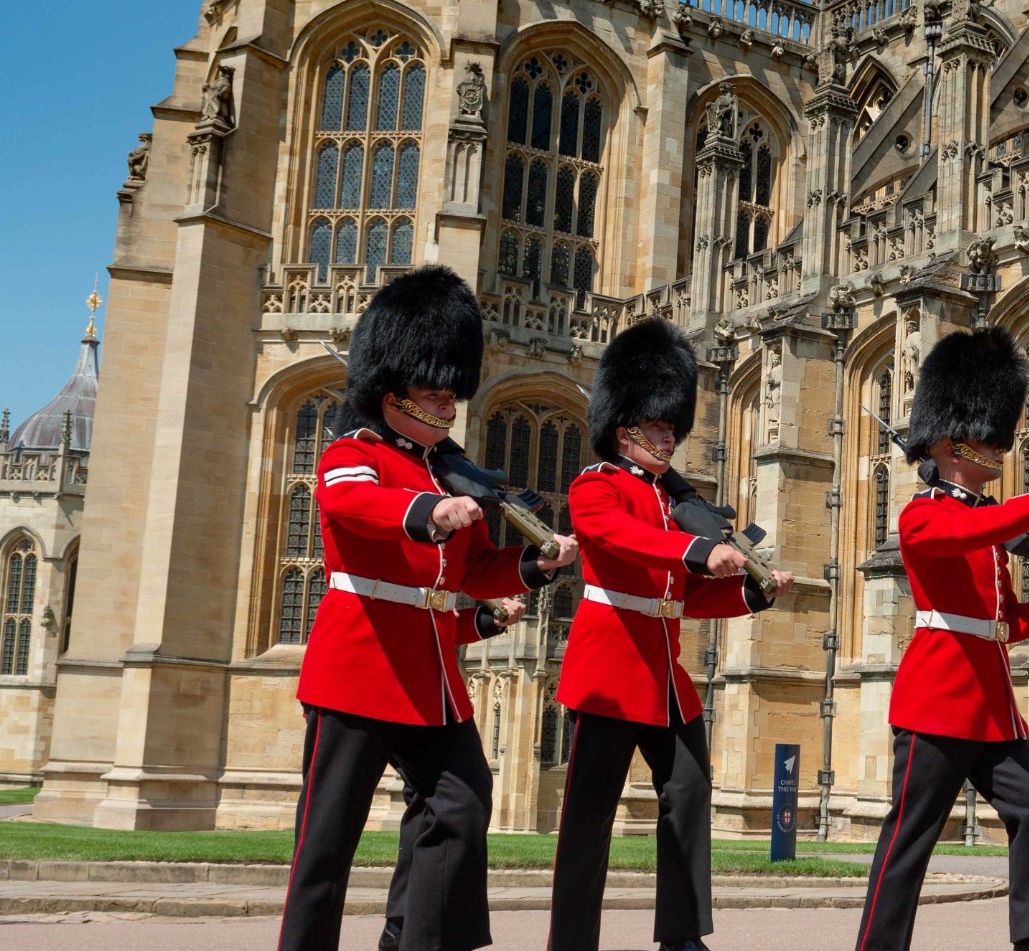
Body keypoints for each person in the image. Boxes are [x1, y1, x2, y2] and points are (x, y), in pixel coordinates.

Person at [276, 265, 579, 951]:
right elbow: (350, 502)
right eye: (433, 388)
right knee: (325, 844)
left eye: (452, 390)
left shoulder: (449, 469)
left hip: (431, 684)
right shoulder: (351, 452)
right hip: (357, 669)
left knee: (463, 803)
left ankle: (413, 937)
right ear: (393, 388)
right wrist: (430, 510)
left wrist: (536, 563)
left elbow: (473, 569)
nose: (448, 402)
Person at [546, 318, 795, 951]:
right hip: (607, 674)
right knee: (588, 822)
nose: (669, 438)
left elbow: (684, 600)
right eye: (658, 427)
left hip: (665, 680)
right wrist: (695, 550)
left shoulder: (673, 503)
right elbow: (619, 540)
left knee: (687, 796)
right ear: (624, 427)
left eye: (672, 428)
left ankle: (681, 936)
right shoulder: (594, 486)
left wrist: (751, 589)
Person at [854, 326, 1029, 951]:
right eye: (986, 439)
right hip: (937, 703)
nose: (997, 449)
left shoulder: (983, 525)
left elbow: (1003, 623)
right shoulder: (923, 516)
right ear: (949, 443)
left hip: (991, 709)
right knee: (911, 838)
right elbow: (971, 533)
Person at [377, 597, 526, 951]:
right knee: (330, 829)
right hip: (363, 661)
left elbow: (457, 576)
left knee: (449, 798)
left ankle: (405, 927)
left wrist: (528, 570)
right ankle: (402, 924)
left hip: (430, 670)